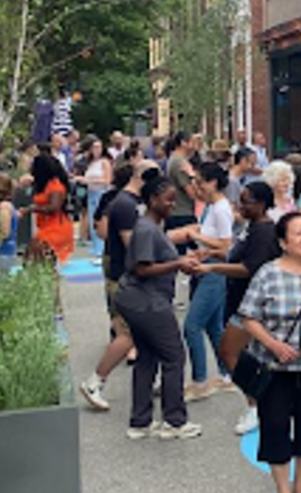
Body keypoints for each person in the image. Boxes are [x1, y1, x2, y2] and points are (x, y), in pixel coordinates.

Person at [238, 211, 301, 493]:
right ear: (283, 242)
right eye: (298, 233)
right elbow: (248, 317)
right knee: (275, 428)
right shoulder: (268, 274)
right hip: (274, 367)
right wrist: (273, 344)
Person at [113, 175, 202, 440]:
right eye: (168, 200)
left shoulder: (151, 226)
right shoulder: (146, 229)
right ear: (153, 200)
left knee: (147, 357)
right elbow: (142, 269)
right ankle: (174, 421)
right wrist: (178, 264)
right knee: (174, 357)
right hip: (147, 301)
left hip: (138, 300)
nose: (173, 204)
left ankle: (140, 421)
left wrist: (181, 261)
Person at [80, 160, 157, 413]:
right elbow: (132, 244)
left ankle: (149, 380)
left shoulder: (129, 202)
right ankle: (95, 382)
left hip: (125, 276)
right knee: (127, 335)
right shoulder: (125, 205)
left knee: (140, 332)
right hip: (124, 278)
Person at [211, 181, 283, 435]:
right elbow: (236, 255)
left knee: (229, 351)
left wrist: (212, 267)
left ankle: (256, 404)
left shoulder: (263, 232)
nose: (241, 206)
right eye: (240, 201)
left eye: (247, 202)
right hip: (242, 301)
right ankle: (260, 401)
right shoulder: (252, 227)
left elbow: (248, 268)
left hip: (253, 305)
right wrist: (210, 255)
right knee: (245, 355)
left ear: (262, 204)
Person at [184, 161, 237, 401]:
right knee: (214, 327)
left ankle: (200, 380)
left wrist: (197, 236)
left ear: (213, 183)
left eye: (200, 182)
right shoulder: (212, 207)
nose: (197, 187)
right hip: (207, 267)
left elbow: (226, 245)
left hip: (214, 273)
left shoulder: (220, 209)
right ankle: (227, 374)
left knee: (192, 325)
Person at [29, 153, 74, 264]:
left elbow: (54, 208)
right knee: (37, 258)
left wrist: (32, 208)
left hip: (56, 227)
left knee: (40, 258)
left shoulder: (55, 186)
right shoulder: (44, 185)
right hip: (46, 226)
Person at [78, 138, 112, 261]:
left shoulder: (105, 162)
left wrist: (88, 180)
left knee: (99, 220)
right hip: (91, 193)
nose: (96, 150)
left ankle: (101, 250)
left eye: (99, 147)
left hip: (100, 193)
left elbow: (107, 180)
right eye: (94, 147)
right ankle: (96, 248)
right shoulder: (91, 163)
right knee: (92, 221)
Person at [165, 133, 199, 247]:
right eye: (192, 142)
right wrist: (193, 177)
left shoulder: (175, 159)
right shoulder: (180, 162)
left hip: (179, 212)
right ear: (184, 143)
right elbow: (191, 192)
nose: (195, 145)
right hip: (182, 213)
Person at [0, 173, 19, 271]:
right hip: (3, 254)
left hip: (2, 255)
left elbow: (5, 233)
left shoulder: (4, 207)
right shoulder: (1, 206)